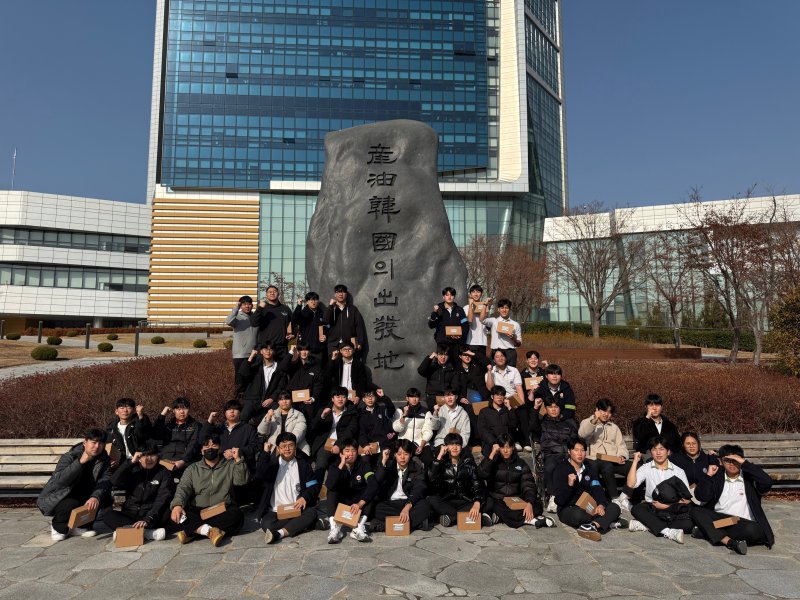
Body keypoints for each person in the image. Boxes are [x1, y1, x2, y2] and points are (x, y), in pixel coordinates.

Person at [690, 444, 774, 554]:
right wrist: (709, 475)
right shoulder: (717, 476)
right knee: (696, 511)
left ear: (741, 460)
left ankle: (706, 532)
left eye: (735, 460)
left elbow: (767, 482)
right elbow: (702, 496)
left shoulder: (749, 478)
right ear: (721, 462)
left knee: (753, 530)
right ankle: (729, 542)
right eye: (727, 460)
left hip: (742, 523)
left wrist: (744, 463)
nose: (732, 464)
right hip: (721, 521)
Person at [170, 433, 249, 546]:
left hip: (222, 509)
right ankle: (208, 531)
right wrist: (177, 505)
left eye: (214, 445)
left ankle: (193, 530)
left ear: (220, 448)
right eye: (206, 446)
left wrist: (238, 460)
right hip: (198, 510)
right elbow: (183, 488)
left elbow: (241, 481)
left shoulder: (229, 465)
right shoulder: (192, 469)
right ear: (202, 450)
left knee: (237, 516)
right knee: (177, 514)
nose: (210, 449)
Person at [37, 428, 112, 541]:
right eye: (94, 442)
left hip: (85, 494)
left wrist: (95, 497)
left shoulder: (104, 459)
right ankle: (58, 527)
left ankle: (80, 526)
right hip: (62, 495)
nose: (97, 446)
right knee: (71, 503)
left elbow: (105, 479)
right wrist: (80, 462)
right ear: (85, 442)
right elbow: (60, 481)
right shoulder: (70, 456)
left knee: (103, 496)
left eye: (101, 443)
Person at [552, 437, 625, 541]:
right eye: (576, 450)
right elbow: (560, 500)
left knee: (615, 507)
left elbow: (597, 488)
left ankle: (593, 526)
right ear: (569, 451)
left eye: (582, 450)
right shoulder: (561, 469)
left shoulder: (589, 469)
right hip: (568, 508)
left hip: (589, 506)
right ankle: (605, 522)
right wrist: (570, 486)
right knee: (579, 515)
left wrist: (600, 504)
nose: (580, 454)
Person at [253, 432, 322, 544]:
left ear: (295, 447)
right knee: (267, 525)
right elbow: (260, 475)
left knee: (311, 512)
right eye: (283, 446)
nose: (287, 449)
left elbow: (313, 485)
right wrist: (265, 453)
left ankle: (280, 533)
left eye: (290, 445)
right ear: (278, 449)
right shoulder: (272, 465)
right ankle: (303, 524)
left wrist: (304, 498)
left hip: (297, 508)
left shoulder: (303, 465)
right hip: (275, 511)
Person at [477, 433, 554, 529]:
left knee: (537, 506)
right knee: (492, 505)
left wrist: (529, 503)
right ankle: (530, 520)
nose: (505, 451)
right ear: (498, 448)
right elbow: (481, 473)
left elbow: (528, 485)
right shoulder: (493, 461)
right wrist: (492, 454)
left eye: (508, 447)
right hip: (498, 500)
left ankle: (500, 517)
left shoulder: (521, 463)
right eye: (502, 447)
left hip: (516, 499)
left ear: (513, 447)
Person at [626, 436, 693, 544]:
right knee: (636, 509)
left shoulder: (678, 471)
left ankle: (647, 524)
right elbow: (630, 484)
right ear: (651, 452)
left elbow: (687, 499)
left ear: (668, 452)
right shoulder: (646, 467)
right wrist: (635, 462)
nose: (658, 453)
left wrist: (666, 506)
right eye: (654, 449)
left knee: (689, 524)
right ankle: (668, 532)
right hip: (652, 507)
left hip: (671, 507)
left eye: (661, 449)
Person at [103, 442, 174, 541]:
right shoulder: (132, 468)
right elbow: (114, 481)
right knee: (108, 514)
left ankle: (127, 532)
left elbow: (162, 499)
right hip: (130, 512)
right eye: (145, 455)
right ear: (139, 457)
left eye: (152, 455)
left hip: (151, 515)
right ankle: (147, 533)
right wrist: (130, 463)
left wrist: (148, 519)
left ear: (158, 456)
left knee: (168, 512)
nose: (149, 459)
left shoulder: (164, 473)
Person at [324, 438, 378, 543]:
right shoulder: (335, 465)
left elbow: (373, 484)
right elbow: (330, 485)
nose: (351, 454)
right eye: (347, 451)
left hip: (357, 503)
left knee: (371, 493)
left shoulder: (363, 464)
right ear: (341, 453)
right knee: (332, 491)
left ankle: (359, 528)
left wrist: (360, 503)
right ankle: (334, 528)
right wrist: (341, 464)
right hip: (342, 501)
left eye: (353, 451)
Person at [427, 433, 486, 527]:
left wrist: (477, 502)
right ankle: (471, 517)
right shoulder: (440, 462)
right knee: (432, 500)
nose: (454, 447)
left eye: (457, 445)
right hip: (446, 501)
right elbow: (431, 478)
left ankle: (450, 517)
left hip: (465, 500)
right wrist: (439, 457)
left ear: (461, 447)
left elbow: (477, 484)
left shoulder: (469, 462)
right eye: (451, 444)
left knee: (488, 501)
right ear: (446, 446)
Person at [578, 399, 631, 503]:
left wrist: (622, 456)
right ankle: (614, 498)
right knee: (607, 466)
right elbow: (582, 434)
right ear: (597, 410)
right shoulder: (588, 422)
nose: (606, 414)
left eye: (609, 412)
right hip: (594, 459)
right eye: (603, 410)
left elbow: (621, 445)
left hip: (613, 459)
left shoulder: (614, 427)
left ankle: (624, 496)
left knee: (635, 467)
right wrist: (594, 420)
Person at [531, 397, 578, 513]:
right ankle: (553, 497)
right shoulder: (542, 423)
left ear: (560, 409)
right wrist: (535, 408)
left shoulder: (568, 423)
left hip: (567, 455)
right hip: (551, 454)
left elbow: (575, 440)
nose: (553, 409)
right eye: (550, 407)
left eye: (556, 407)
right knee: (551, 467)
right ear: (546, 409)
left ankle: (575, 497)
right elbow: (532, 426)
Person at [372, 440, 432, 533]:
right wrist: (383, 461)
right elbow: (376, 481)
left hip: (409, 502)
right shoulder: (389, 465)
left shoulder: (416, 467)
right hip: (391, 503)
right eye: (399, 454)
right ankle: (417, 524)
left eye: (406, 454)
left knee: (425, 506)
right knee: (377, 508)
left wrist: (407, 507)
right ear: (395, 454)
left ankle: (386, 525)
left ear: (410, 455)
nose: (402, 457)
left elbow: (419, 488)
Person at [311, 387, 359, 470]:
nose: (340, 399)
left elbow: (350, 431)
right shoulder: (324, 410)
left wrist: (338, 444)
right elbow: (314, 427)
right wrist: (322, 417)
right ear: (332, 399)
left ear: (347, 399)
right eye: (338, 396)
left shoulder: (352, 413)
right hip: (325, 443)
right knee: (321, 464)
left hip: (343, 443)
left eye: (343, 397)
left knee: (342, 467)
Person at [151, 397, 201, 476]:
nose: (182, 412)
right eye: (178, 409)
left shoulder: (196, 426)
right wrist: (162, 415)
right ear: (173, 410)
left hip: (184, 460)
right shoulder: (169, 425)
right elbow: (156, 434)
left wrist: (183, 460)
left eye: (185, 408)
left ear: (189, 410)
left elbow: (193, 445)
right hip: (165, 458)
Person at [238, 343, 287, 423]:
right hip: (252, 399)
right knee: (243, 417)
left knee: (277, 411)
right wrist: (251, 357)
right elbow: (242, 374)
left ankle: (255, 421)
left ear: (274, 351)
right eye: (265, 349)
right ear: (261, 351)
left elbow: (281, 387)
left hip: (269, 400)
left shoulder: (279, 368)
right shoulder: (256, 366)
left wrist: (272, 398)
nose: (268, 351)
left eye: (270, 349)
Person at [277, 343, 324, 425]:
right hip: (292, 401)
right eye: (301, 350)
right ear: (298, 352)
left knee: (308, 424)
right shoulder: (293, 365)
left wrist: (313, 398)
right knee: (291, 424)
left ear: (309, 351)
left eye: (306, 350)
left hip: (307, 402)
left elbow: (319, 384)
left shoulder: (316, 366)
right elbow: (282, 368)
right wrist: (291, 352)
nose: (303, 352)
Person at [258, 391, 311, 458]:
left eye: (287, 399)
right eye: (281, 399)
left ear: (291, 401)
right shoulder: (272, 413)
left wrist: (285, 444)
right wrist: (268, 418)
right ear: (278, 402)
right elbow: (262, 432)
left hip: (295, 446)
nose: (284, 401)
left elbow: (299, 432)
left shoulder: (299, 415)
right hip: (275, 446)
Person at [391, 387, 435, 465]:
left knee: (429, 460)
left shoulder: (426, 411)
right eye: (411, 397)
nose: (414, 399)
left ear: (419, 398)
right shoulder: (400, 410)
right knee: (396, 459)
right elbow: (397, 429)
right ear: (407, 398)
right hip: (404, 442)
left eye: (416, 397)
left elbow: (428, 430)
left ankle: (424, 472)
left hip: (420, 442)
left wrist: (421, 446)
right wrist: (404, 416)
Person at [252, 285, 293, 363]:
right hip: (266, 347)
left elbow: (294, 322)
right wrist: (260, 308)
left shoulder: (285, 309)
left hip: (281, 347)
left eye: (274, 291)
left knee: (282, 369)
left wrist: (293, 334)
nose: (272, 293)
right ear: (266, 294)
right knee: (264, 370)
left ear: (278, 294)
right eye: (270, 292)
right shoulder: (262, 308)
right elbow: (253, 323)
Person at [106, 398, 151, 468]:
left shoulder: (139, 424)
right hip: (119, 463)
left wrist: (140, 415)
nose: (125, 410)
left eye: (129, 408)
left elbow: (143, 434)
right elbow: (107, 447)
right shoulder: (111, 429)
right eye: (122, 408)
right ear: (116, 411)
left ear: (133, 411)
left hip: (138, 462)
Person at [323, 284, 367, 357]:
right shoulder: (331, 309)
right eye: (338, 292)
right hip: (333, 344)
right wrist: (330, 306)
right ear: (335, 294)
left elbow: (359, 326)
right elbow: (325, 321)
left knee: (349, 364)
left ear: (346, 294)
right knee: (333, 363)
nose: (341, 294)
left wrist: (360, 342)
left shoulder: (353, 309)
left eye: (343, 292)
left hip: (349, 344)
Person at [225, 294, 257, 392]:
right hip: (240, 354)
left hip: (254, 353)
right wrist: (236, 308)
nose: (247, 306)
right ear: (241, 306)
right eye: (244, 304)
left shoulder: (255, 317)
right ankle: (238, 398)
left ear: (252, 305)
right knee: (240, 380)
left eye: (249, 304)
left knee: (253, 379)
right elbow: (228, 321)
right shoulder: (237, 317)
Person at [427, 286, 469, 361]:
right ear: (443, 297)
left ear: (454, 297)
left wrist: (460, 335)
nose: (449, 297)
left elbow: (465, 325)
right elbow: (431, 325)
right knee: (441, 364)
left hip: (456, 344)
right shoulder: (438, 309)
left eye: (451, 295)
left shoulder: (460, 310)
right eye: (447, 295)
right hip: (442, 343)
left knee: (456, 364)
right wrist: (434, 313)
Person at [477, 386, 519, 458]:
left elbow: (514, 425)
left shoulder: (508, 410)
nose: (500, 397)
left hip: (506, 444)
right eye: (497, 395)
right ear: (492, 396)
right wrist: (493, 443)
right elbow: (482, 430)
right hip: (490, 445)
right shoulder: (484, 411)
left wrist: (510, 408)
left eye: (502, 395)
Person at [357, 389, 397, 459]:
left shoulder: (382, 409)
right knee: (365, 460)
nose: (370, 399)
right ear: (363, 399)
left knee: (383, 461)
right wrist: (365, 444)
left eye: (372, 396)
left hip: (384, 444)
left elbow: (391, 409)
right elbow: (361, 432)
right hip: (370, 445)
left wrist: (383, 397)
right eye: (367, 397)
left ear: (376, 398)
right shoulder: (361, 414)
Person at [485, 349, 524, 420]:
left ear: (505, 358)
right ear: (494, 360)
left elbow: (518, 387)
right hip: (499, 401)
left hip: (513, 399)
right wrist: (490, 371)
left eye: (502, 356)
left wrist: (521, 402)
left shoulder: (514, 370)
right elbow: (490, 388)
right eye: (497, 357)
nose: (500, 358)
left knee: (522, 413)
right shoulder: (490, 372)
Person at [417, 345, 458, 411]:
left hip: (446, 397)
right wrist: (430, 358)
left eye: (446, 355)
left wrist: (448, 396)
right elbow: (421, 371)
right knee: (434, 414)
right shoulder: (432, 367)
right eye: (441, 354)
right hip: (432, 397)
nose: (443, 357)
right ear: (437, 355)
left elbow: (455, 386)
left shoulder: (452, 369)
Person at [484, 299, 522, 368]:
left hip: (510, 353)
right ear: (498, 309)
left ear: (509, 309)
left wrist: (513, 338)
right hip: (496, 352)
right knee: (495, 373)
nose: (504, 310)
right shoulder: (494, 321)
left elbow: (519, 343)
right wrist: (485, 305)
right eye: (502, 308)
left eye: (506, 308)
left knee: (511, 373)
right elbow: (482, 320)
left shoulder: (515, 324)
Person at [292, 291, 327, 366]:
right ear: (307, 302)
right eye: (311, 300)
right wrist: (299, 306)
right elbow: (294, 319)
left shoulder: (322, 314)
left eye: (315, 300)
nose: (313, 302)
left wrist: (325, 336)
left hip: (318, 349)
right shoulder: (303, 313)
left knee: (318, 369)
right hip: (305, 349)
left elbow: (327, 328)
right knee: (304, 369)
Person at [465, 285, 492, 368]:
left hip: (482, 341)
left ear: (481, 294)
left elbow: (485, 322)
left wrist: (485, 306)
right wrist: (471, 306)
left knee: (481, 367)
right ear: (470, 294)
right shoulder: (466, 308)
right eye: (473, 292)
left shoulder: (485, 307)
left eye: (478, 292)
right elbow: (469, 320)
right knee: (470, 366)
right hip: (469, 342)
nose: (476, 294)